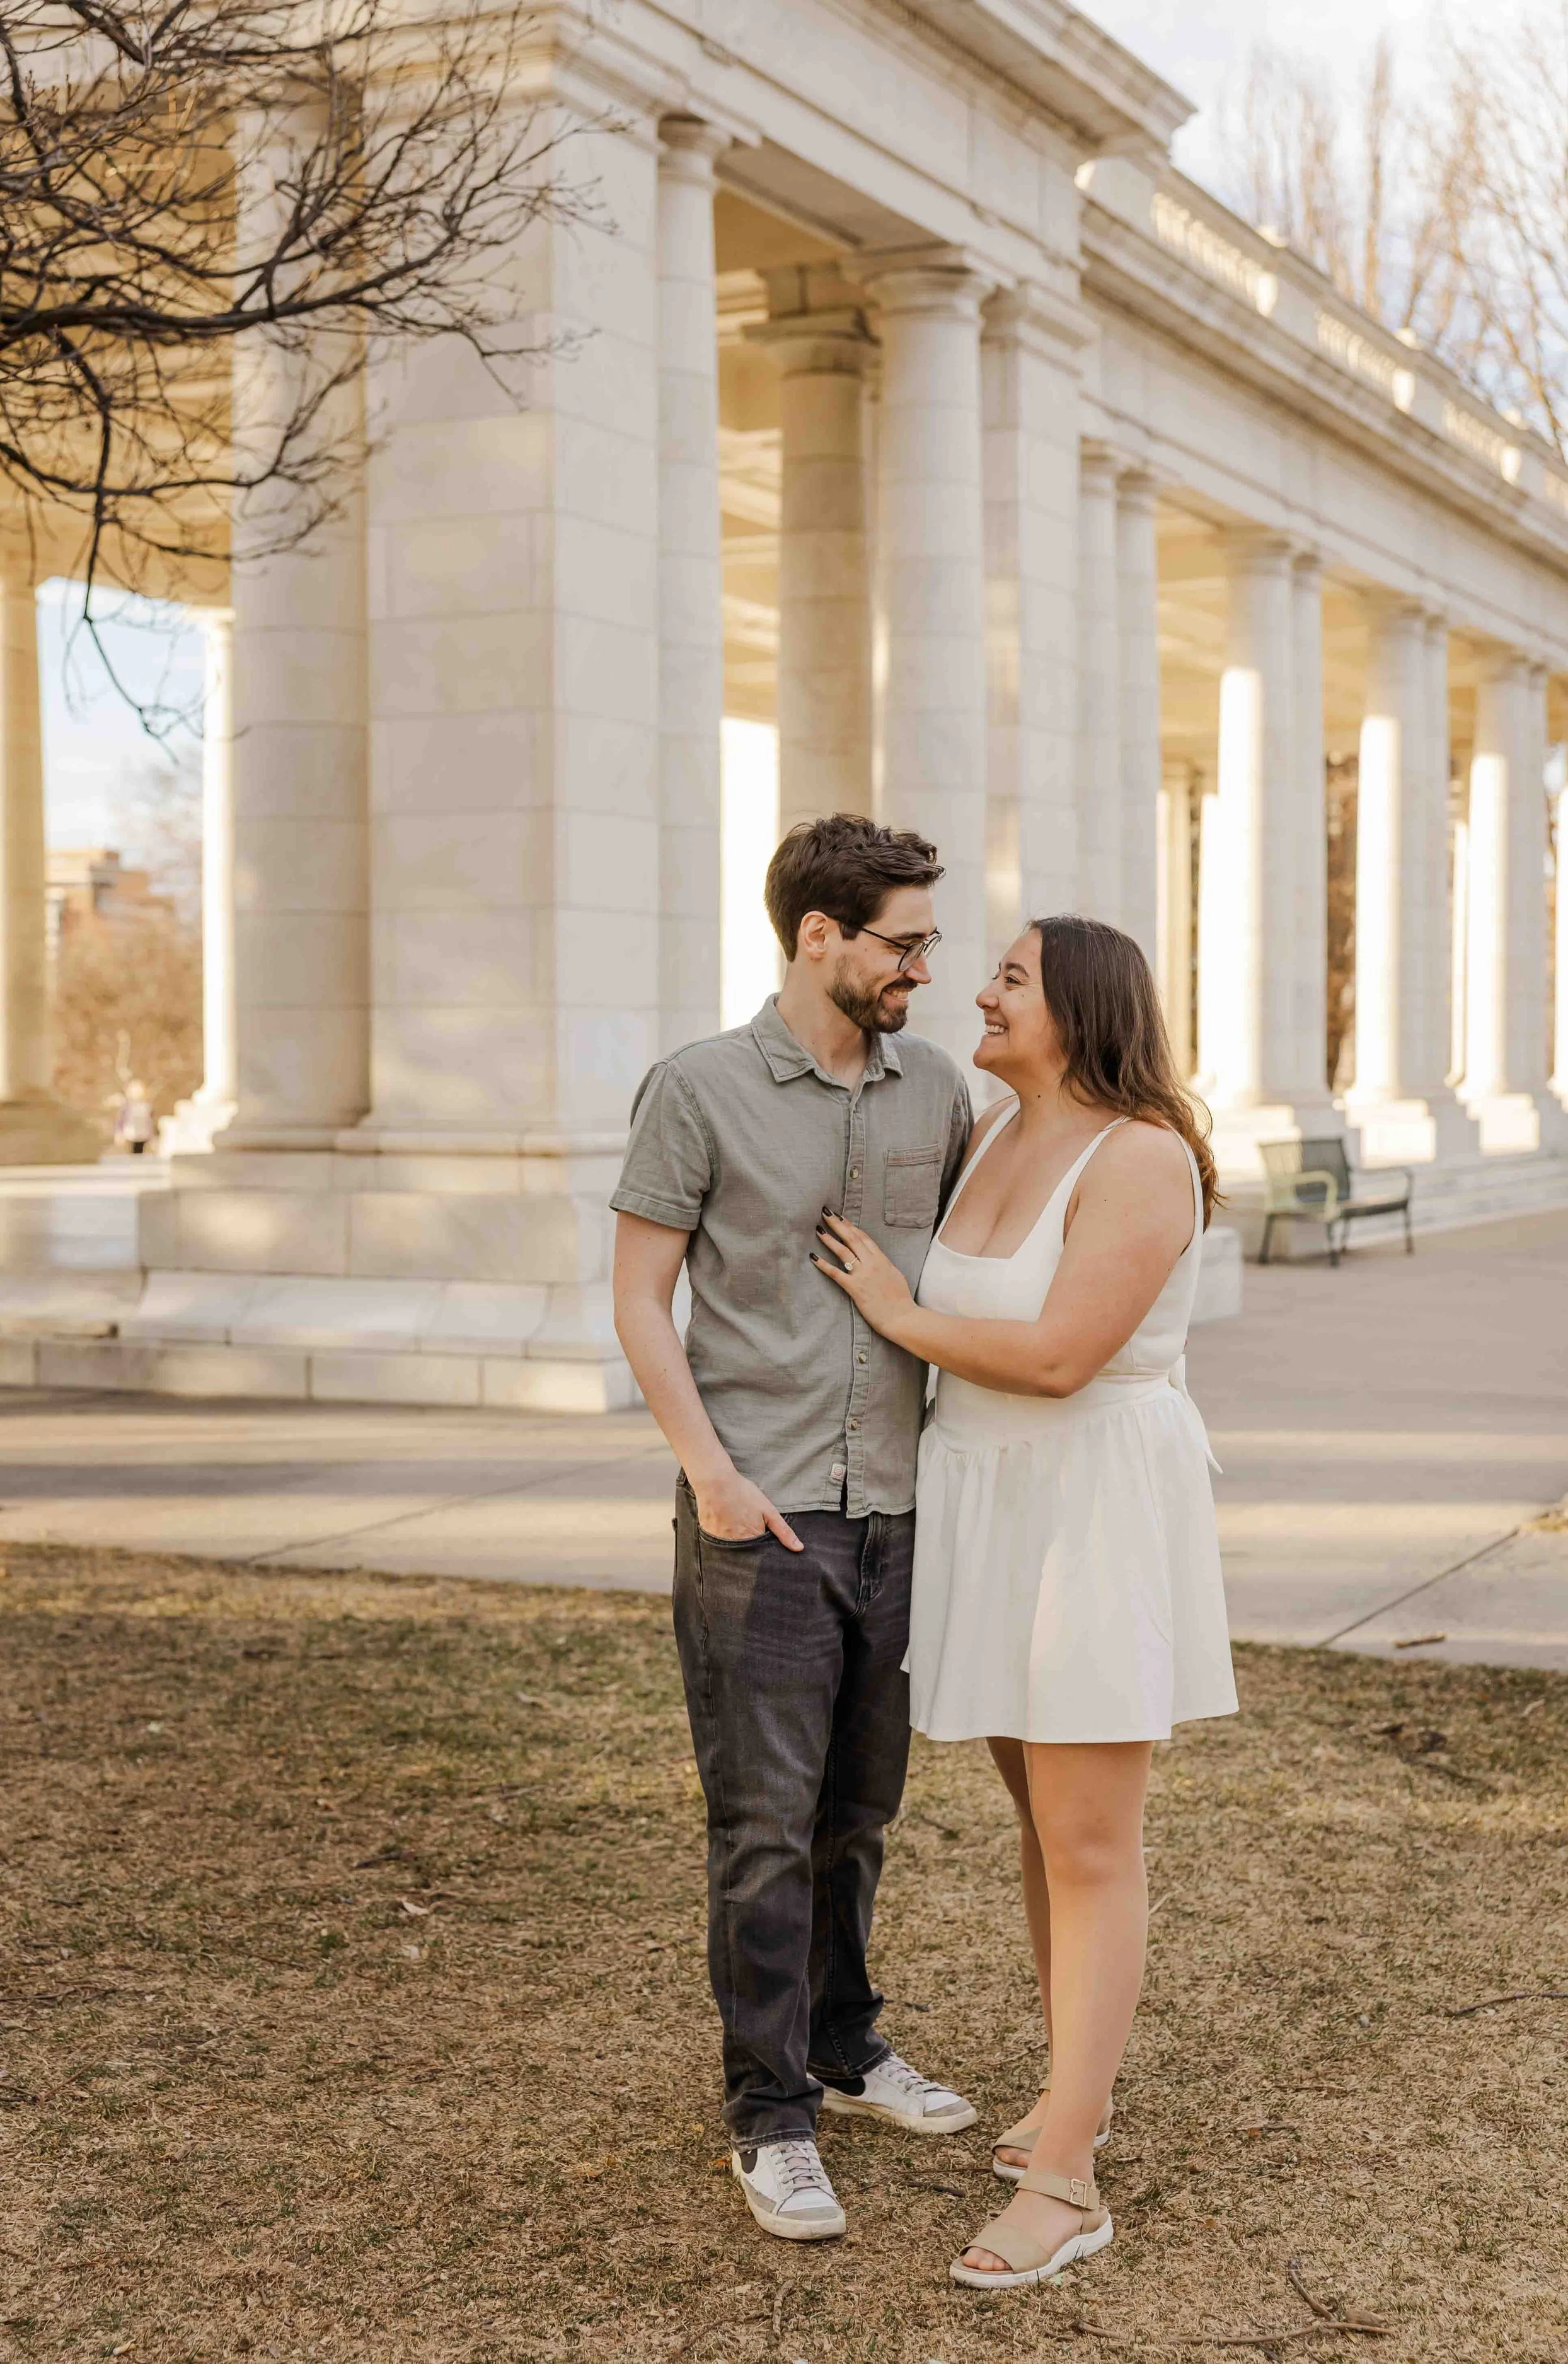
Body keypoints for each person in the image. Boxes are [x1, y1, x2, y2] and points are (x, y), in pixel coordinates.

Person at [809, 913, 1238, 2288]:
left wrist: (889, 1306)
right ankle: (1074, 2097)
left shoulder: (1143, 1158)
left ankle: (1066, 2183)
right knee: (1039, 1826)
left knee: (1091, 1839)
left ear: (1082, 1010)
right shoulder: (993, 1132)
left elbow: (1056, 1359)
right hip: (986, 1498)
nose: (977, 996)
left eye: (1008, 979)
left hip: (1090, 1507)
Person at [611, 814, 978, 2244]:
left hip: (897, 1507)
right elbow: (642, 1298)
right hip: (756, 1515)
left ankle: (842, 2040)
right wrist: (706, 1471)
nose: (922, 969)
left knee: (858, 1812)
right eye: (903, 942)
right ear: (817, 936)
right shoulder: (696, 1090)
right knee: (761, 1826)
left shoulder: (933, 1088)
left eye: (930, 943)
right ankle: (769, 2115)